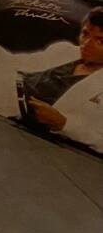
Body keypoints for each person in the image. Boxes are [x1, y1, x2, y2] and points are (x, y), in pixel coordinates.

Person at [25, 7, 103, 140]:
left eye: (100, 41)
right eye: (85, 34)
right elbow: (16, 63)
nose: (86, 44)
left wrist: (63, 123)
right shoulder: (64, 50)